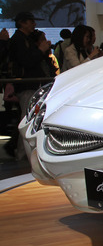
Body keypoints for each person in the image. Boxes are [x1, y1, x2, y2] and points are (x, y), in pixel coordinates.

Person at [8, 12, 51, 158]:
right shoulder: (18, 40)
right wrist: (41, 50)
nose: (34, 24)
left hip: (32, 85)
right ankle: (22, 153)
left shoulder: (26, 39)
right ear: (23, 23)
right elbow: (26, 61)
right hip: (26, 85)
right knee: (26, 120)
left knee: (29, 119)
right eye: (31, 21)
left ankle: (25, 153)